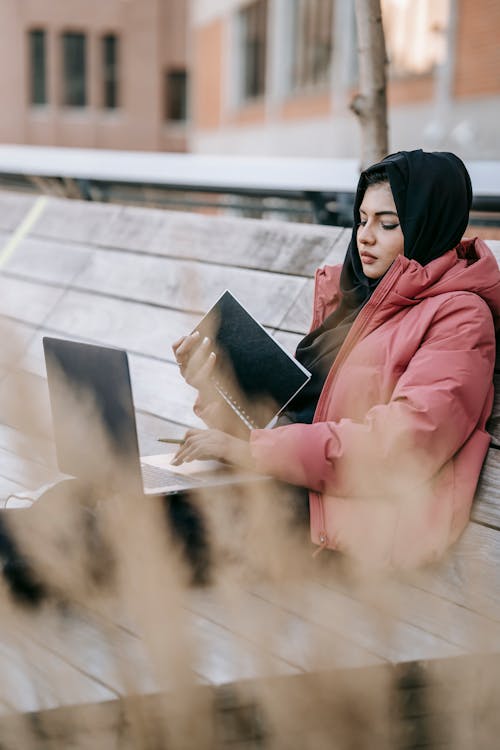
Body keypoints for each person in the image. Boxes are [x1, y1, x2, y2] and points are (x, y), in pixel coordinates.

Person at [172, 149, 500, 568]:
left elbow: (403, 447)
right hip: (291, 486)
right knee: (113, 492)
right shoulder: (357, 299)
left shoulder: (460, 316)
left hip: (348, 518)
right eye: (361, 220)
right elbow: (292, 420)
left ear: (430, 224)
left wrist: (253, 452)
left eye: (388, 224)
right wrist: (212, 384)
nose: (365, 236)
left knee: (129, 528)